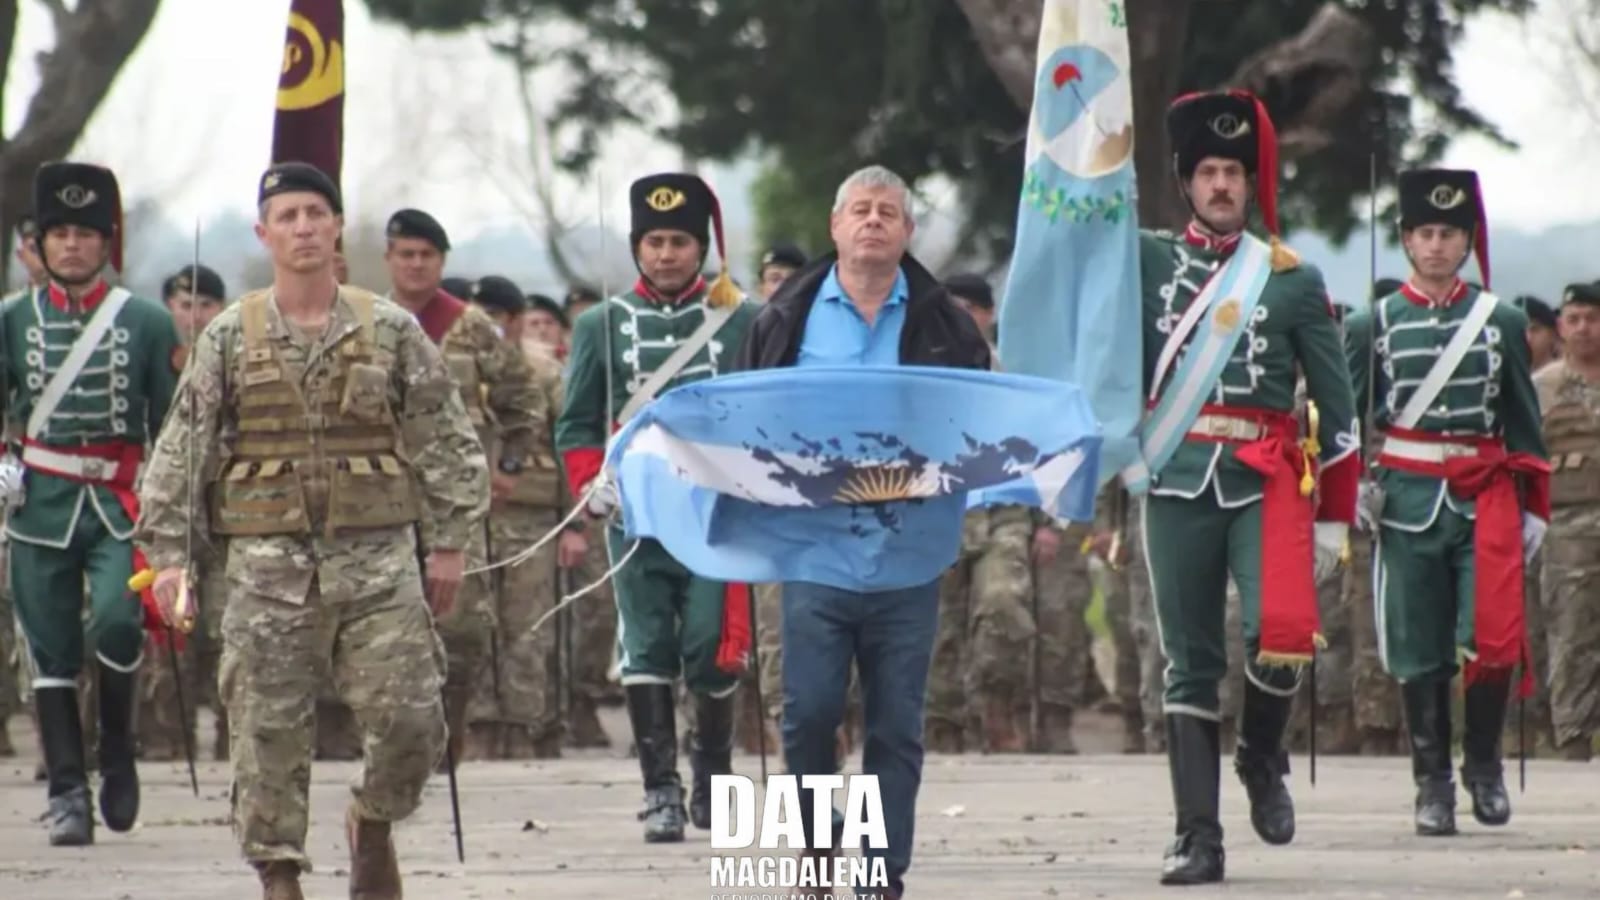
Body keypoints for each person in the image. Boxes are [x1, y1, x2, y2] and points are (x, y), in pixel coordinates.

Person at [135, 162, 488, 899]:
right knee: (265, 733)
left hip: (379, 564)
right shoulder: (231, 337)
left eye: (314, 214)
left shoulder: (389, 330)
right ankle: (279, 872)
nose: (302, 227)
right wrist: (169, 559)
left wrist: (451, 543)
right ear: (265, 234)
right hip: (266, 571)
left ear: (336, 229)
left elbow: (447, 440)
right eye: (287, 216)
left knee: (411, 719)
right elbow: (181, 451)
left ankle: (375, 820)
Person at [735, 165, 990, 900]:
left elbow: (979, 422)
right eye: (860, 210)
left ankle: (880, 867)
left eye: (888, 212)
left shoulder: (946, 323)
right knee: (808, 714)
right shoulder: (784, 316)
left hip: (910, 555)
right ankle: (816, 853)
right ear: (835, 226)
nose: (873, 221)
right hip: (813, 553)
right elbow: (743, 417)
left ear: (907, 232)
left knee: (894, 726)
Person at [1133, 92, 1359, 885]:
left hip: (1269, 480)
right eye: (1207, 172)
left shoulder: (1294, 280)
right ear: (1185, 182)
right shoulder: (1148, 260)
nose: (1221, 185)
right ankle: (1197, 836)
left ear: (1250, 182)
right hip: (1177, 476)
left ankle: (1260, 755)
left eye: (1233, 171)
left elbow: (1338, 408)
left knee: (1282, 633)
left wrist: (1334, 516)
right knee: (1188, 660)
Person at [1343, 168, 1548, 838]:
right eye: (1424, 233)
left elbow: (1523, 422)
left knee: (1491, 641)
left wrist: (1535, 507)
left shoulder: (1502, 321)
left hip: (1485, 499)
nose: (1436, 245)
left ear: (1467, 241)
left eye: (1449, 234)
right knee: (1417, 646)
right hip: (1405, 502)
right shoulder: (1373, 322)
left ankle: (1483, 766)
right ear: (1405, 240)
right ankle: (1431, 784)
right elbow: (1349, 419)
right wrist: (1355, 488)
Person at [555, 172, 759, 842]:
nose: (666, 254)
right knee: (646, 645)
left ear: (701, 248)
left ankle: (713, 773)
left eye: (679, 241)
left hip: (716, 513)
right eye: (654, 241)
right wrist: (591, 482)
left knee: (709, 645)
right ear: (637, 247)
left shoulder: (744, 319)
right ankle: (660, 793)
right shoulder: (600, 324)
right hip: (637, 515)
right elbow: (578, 421)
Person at [1, 162, 179, 845]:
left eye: (86, 233)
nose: (72, 246)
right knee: (49, 648)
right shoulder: (12, 321)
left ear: (109, 242)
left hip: (118, 504)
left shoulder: (148, 322)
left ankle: (119, 753)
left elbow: (171, 427)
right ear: (40, 244)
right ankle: (67, 792)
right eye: (59, 233)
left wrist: (170, 511)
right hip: (40, 503)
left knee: (116, 621)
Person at [381, 208, 547, 769]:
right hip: (378, 499)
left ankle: (450, 729)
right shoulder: (363, 322)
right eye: (405, 254)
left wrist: (511, 465)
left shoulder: (471, 326)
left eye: (426, 255)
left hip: (454, 501)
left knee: (464, 623)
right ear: (389, 260)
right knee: (383, 624)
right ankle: (398, 737)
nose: (416, 264)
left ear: (441, 261)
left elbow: (523, 399)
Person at [463, 274, 567, 759]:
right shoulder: (454, 365)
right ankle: (479, 727)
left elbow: (571, 446)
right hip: (470, 515)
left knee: (527, 626)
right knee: (474, 624)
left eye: (499, 317)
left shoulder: (542, 372)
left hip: (531, 514)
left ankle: (524, 726)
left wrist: (577, 523)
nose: (489, 326)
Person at [138, 264, 232, 763]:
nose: (195, 316)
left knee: (224, 636)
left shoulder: (230, 356)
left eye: (206, 306)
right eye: (185, 305)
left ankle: (229, 745)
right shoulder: (155, 360)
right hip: (171, 516)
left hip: (222, 522)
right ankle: (167, 743)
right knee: (167, 635)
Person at [1533, 280, 1600, 761]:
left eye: (1593, 318)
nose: (1584, 329)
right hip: (1565, 529)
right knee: (1570, 637)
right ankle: (1570, 741)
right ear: (1560, 326)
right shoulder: (1542, 388)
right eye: (1574, 319)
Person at [1516, 294, 1561, 371]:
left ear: (1553, 334)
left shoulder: (1572, 378)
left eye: (1535, 329)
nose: (1528, 338)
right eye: (1519, 330)